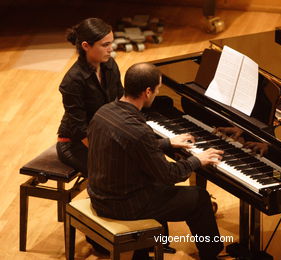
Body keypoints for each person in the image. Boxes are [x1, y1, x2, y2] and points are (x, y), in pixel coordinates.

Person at [87, 62, 225, 260]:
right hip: (123, 205)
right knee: (199, 198)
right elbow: (169, 175)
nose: (158, 93)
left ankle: (143, 253)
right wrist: (197, 160)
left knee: (158, 184)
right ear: (148, 91)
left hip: (99, 195)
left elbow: (127, 148)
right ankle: (211, 253)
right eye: (158, 89)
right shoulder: (139, 131)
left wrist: (167, 142)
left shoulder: (104, 112)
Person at [56, 17, 123, 177]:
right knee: (115, 174)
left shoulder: (110, 65)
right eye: (105, 45)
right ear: (86, 46)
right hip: (76, 144)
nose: (111, 49)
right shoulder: (72, 81)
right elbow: (81, 131)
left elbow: (121, 99)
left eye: (111, 43)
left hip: (104, 135)